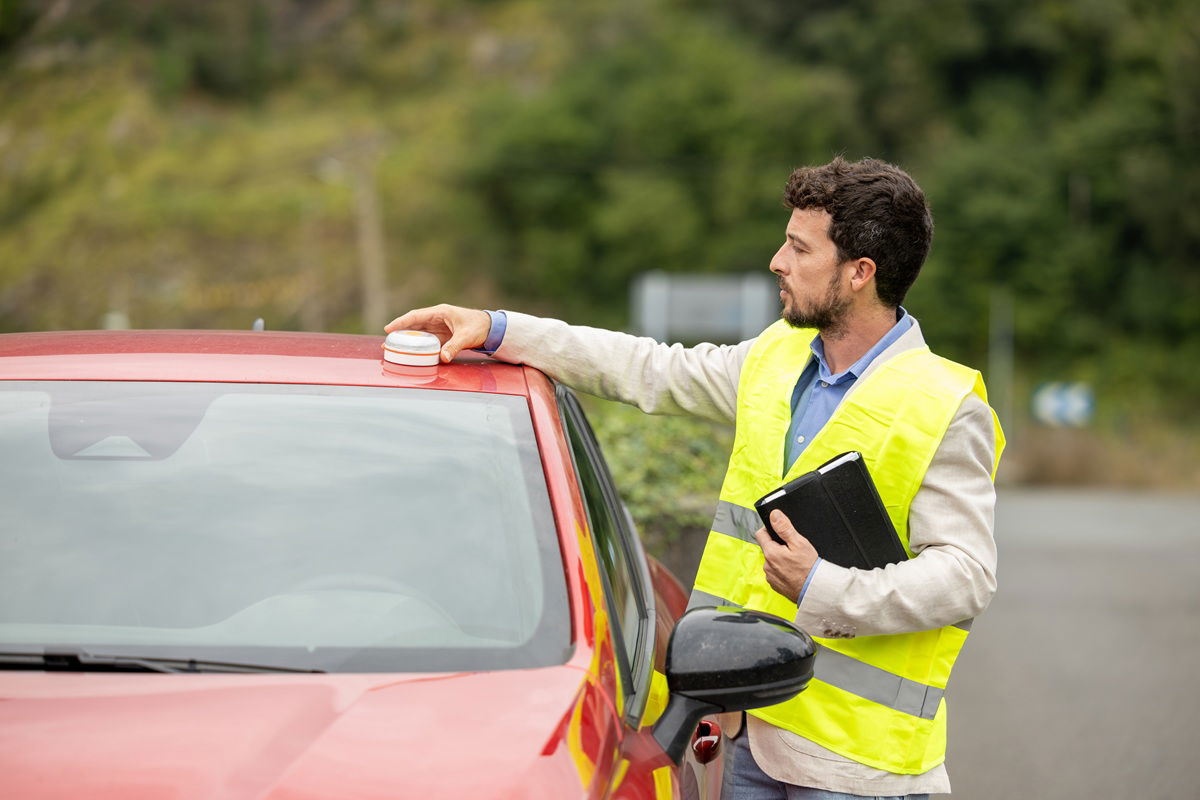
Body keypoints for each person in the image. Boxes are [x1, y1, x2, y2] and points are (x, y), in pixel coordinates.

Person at [385, 156, 1003, 799]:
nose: (777, 261)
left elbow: (966, 574)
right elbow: (650, 369)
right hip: (747, 734)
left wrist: (825, 588)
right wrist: (501, 329)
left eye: (797, 247)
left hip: (857, 769)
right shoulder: (779, 355)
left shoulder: (947, 405)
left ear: (859, 273)